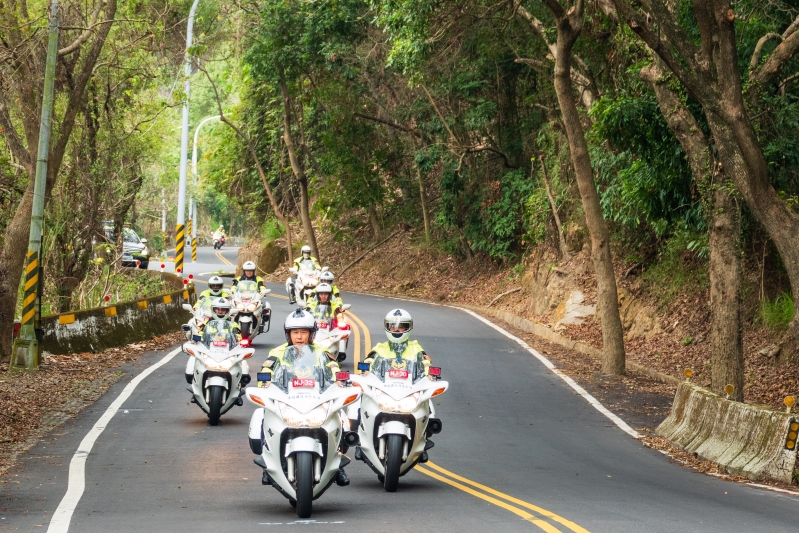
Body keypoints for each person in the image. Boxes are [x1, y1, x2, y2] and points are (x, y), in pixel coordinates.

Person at [257, 308, 350, 487]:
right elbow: (267, 369)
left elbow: (333, 368)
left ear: (311, 333)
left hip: (316, 398)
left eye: (303, 332)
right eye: (295, 332)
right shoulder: (277, 352)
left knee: (340, 417)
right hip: (287, 398)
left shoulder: (322, 352)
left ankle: (338, 464)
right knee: (265, 416)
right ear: (288, 334)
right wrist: (265, 381)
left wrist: (339, 380)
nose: (299, 337)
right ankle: (268, 464)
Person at [184, 297, 243, 384]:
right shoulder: (206, 323)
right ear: (213, 310)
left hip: (227, 351)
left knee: (242, 362)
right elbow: (200, 333)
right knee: (194, 357)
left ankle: (239, 380)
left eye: (223, 310)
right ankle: (194, 378)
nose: (220, 312)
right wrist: (196, 338)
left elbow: (238, 336)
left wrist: (239, 341)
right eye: (217, 309)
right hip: (209, 350)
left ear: (228, 311)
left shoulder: (233, 324)